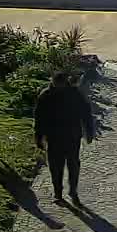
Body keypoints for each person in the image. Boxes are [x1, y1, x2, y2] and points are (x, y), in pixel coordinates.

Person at [34, 71, 95, 204]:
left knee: (73, 164)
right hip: (54, 137)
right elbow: (39, 118)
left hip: (72, 136)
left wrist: (89, 132)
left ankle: (73, 191)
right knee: (56, 166)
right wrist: (39, 137)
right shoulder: (46, 95)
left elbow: (86, 113)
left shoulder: (74, 94)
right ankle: (58, 193)